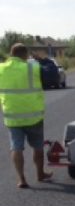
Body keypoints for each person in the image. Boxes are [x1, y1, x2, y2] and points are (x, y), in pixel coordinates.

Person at [0, 43, 51, 188]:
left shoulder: (1, 69)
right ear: (24, 54)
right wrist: (43, 60)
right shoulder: (32, 67)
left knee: (16, 147)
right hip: (33, 116)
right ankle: (40, 174)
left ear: (11, 54)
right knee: (37, 146)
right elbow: (51, 73)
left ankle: (21, 179)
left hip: (12, 116)